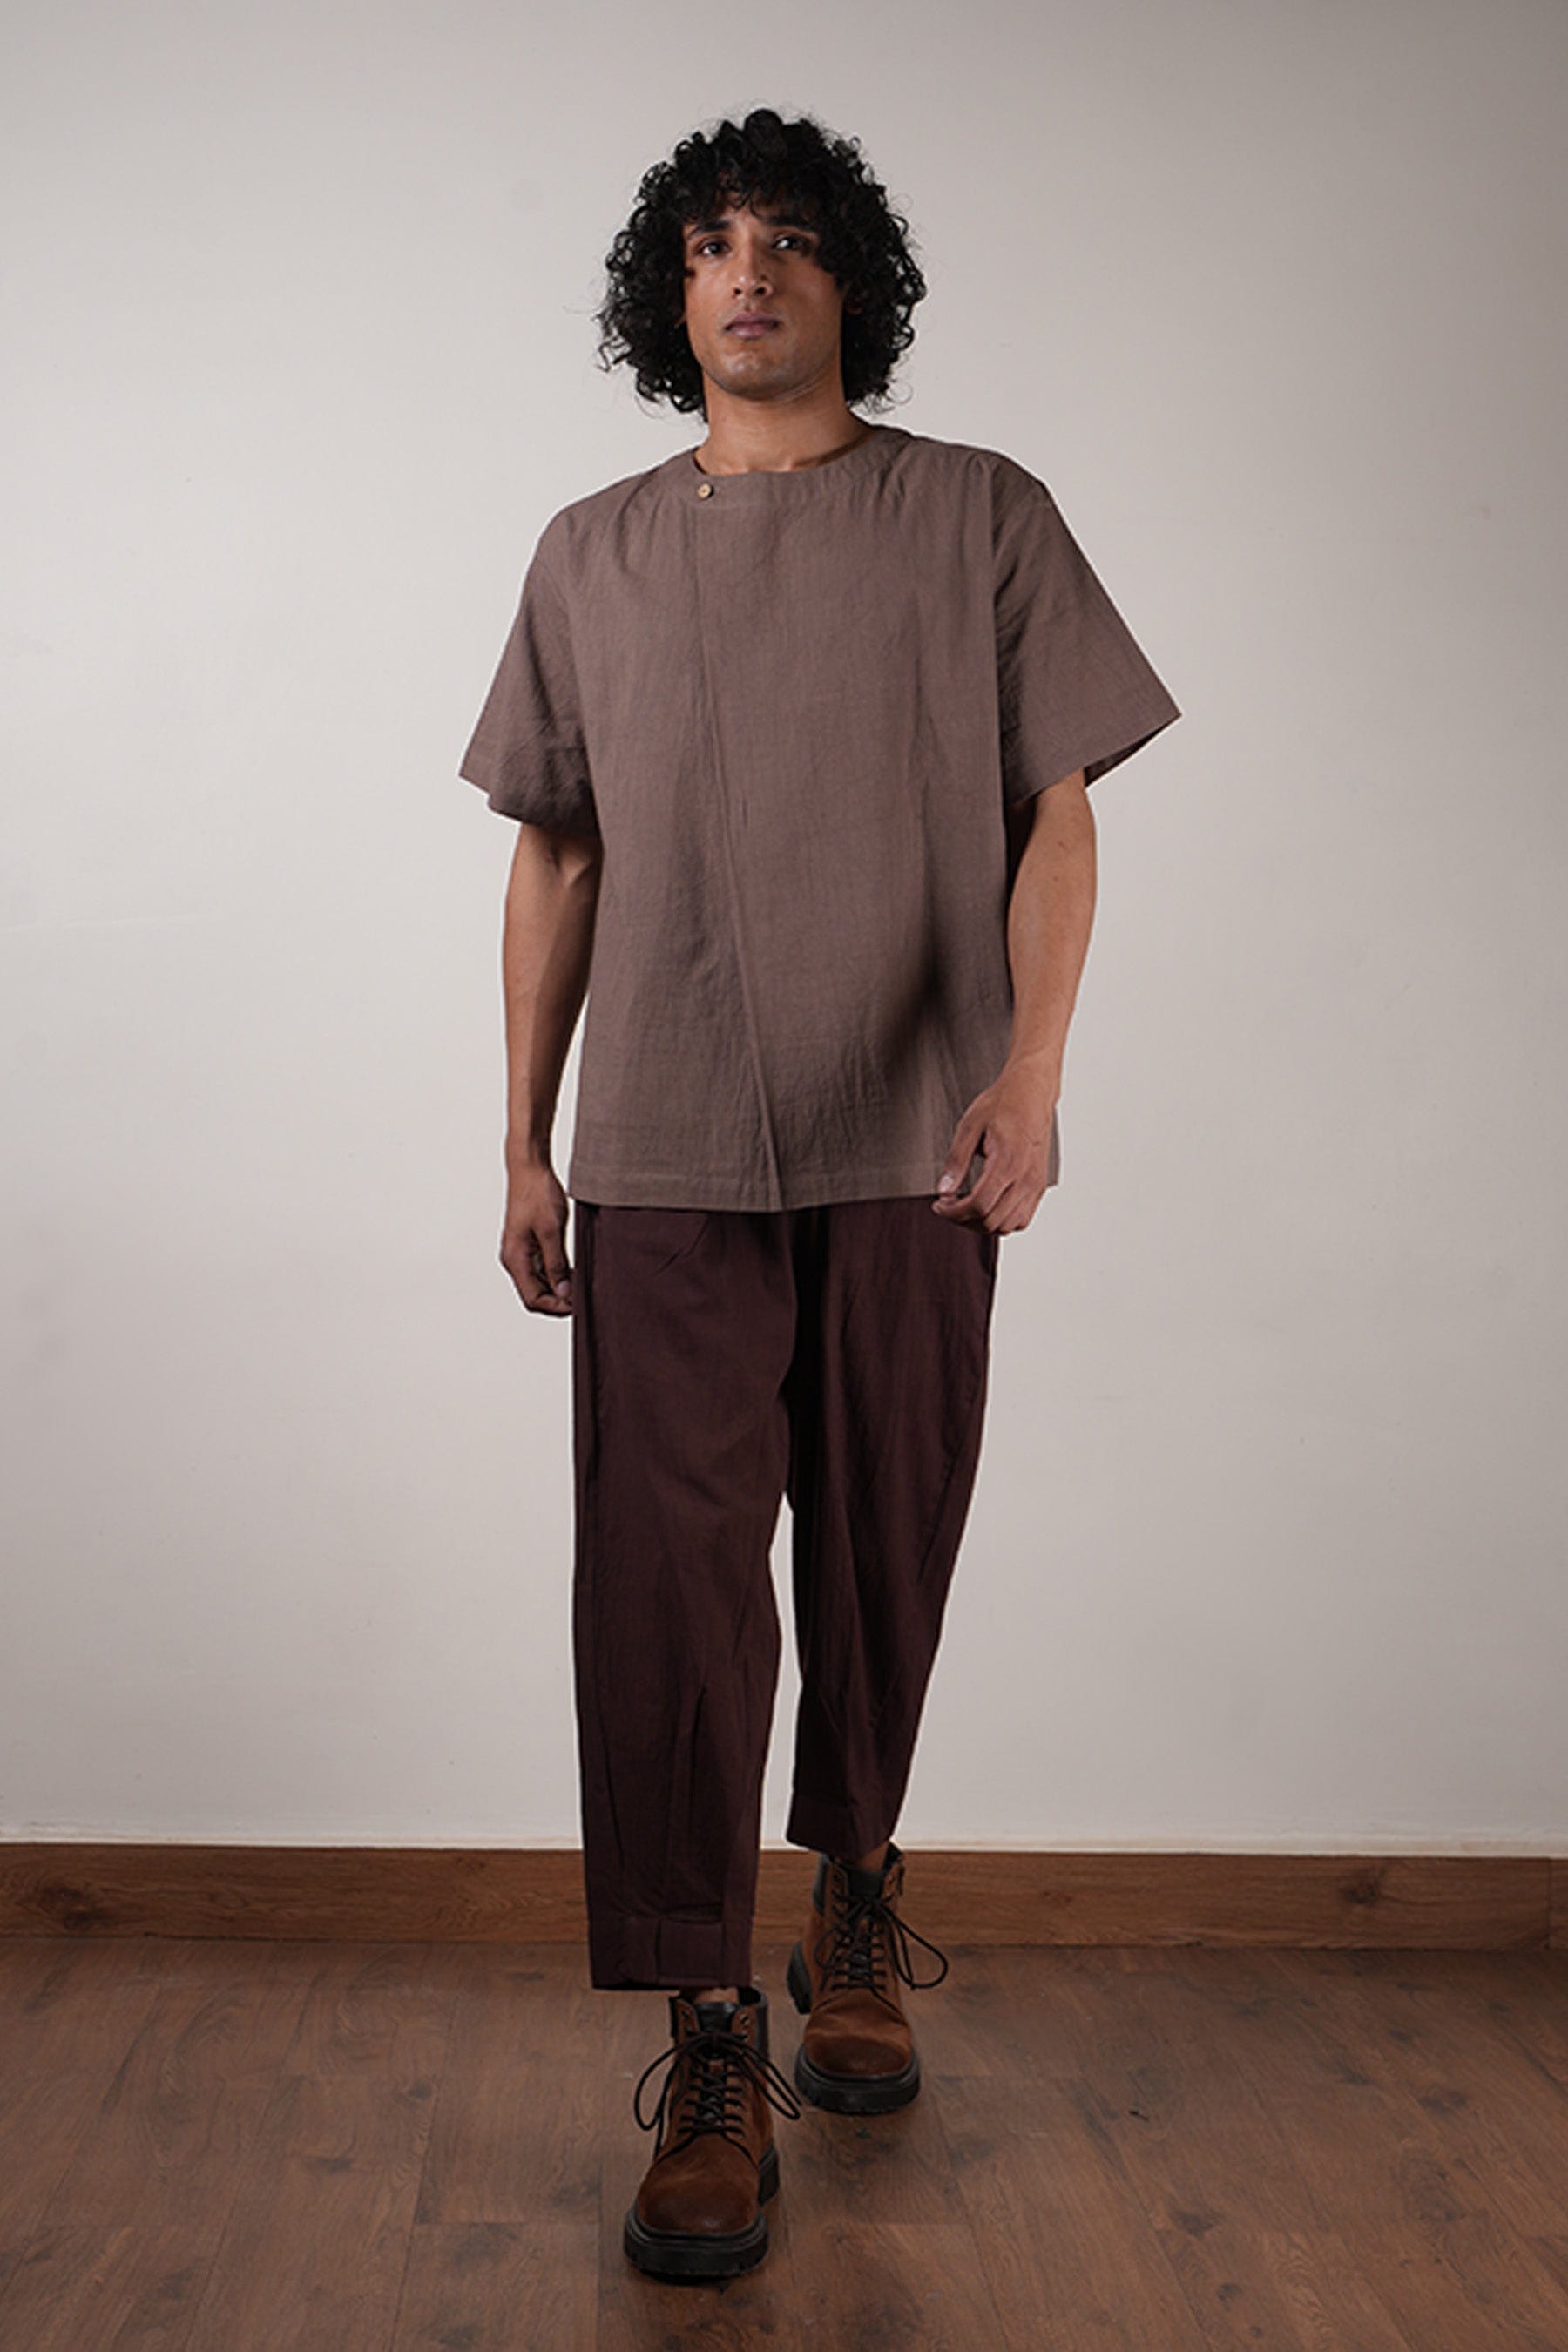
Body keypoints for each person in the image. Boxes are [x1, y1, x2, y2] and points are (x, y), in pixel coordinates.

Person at [457, 105, 1180, 2283]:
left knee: (883, 1535)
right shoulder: (591, 551)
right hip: (668, 1137)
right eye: (706, 245)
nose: (745, 271)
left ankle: (854, 1886)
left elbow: (1059, 812)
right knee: (666, 1594)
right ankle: (709, 2036)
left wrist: (1031, 1070)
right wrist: (521, 1132)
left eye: (784, 238)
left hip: (912, 1133)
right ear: (663, 298)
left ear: (853, 278)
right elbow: (558, 846)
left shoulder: (980, 517)